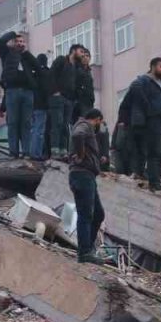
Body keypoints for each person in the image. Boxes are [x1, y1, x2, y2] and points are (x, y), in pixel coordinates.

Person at [124, 58, 161, 188]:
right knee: (154, 151)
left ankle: (157, 179)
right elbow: (136, 94)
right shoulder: (143, 80)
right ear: (152, 66)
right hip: (152, 120)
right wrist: (149, 110)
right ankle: (154, 182)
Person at [69, 109, 106, 264]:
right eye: (100, 123)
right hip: (82, 175)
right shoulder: (85, 125)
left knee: (98, 214)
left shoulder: (85, 126)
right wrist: (82, 155)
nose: (100, 126)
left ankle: (87, 249)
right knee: (86, 215)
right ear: (97, 119)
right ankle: (84, 252)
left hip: (86, 175)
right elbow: (78, 135)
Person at [0, 31, 33, 158]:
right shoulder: (7, 54)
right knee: (13, 123)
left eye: (22, 41)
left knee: (26, 123)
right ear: (12, 43)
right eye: (17, 41)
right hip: (12, 91)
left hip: (28, 92)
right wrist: (13, 33)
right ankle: (13, 153)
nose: (19, 44)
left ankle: (27, 152)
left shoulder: (27, 56)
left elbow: (38, 71)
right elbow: (1, 41)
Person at [25, 52, 52, 160]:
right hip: (42, 105)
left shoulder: (33, 73)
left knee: (33, 129)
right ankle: (36, 154)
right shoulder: (46, 73)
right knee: (40, 130)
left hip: (31, 104)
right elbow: (47, 90)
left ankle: (31, 152)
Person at [50, 49, 77, 155]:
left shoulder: (74, 67)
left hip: (69, 99)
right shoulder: (61, 60)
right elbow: (51, 74)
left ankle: (63, 149)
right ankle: (55, 149)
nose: (83, 55)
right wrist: (55, 91)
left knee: (65, 125)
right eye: (81, 51)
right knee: (58, 123)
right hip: (59, 97)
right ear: (73, 51)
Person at [72, 46, 95, 123]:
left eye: (87, 56)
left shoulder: (88, 71)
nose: (85, 58)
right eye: (83, 56)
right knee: (83, 123)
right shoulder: (77, 69)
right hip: (81, 102)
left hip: (89, 101)